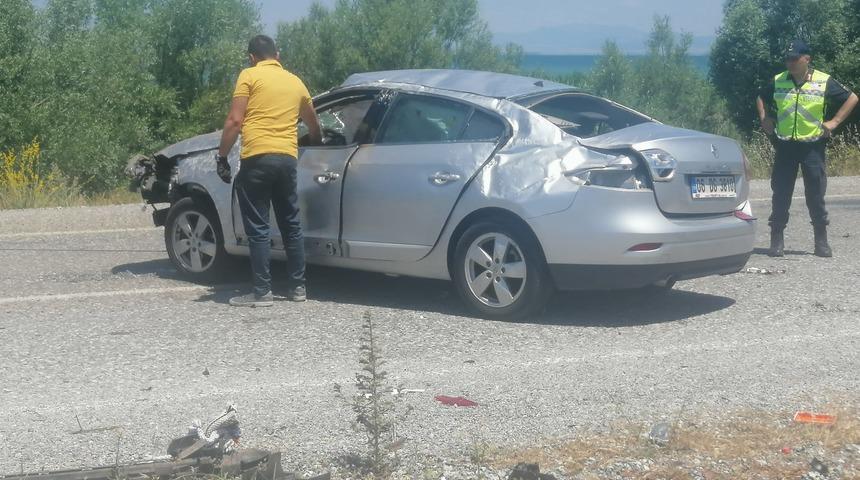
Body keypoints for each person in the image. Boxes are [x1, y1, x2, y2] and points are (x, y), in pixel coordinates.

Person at [216, 35, 322, 307]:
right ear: (278, 54)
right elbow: (313, 124)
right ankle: (298, 288)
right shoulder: (296, 81)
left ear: (252, 57)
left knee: (259, 227)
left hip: (258, 157)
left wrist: (222, 155)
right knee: (291, 223)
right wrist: (316, 142)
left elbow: (235, 120)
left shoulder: (249, 76)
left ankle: (262, 292)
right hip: (287, 159)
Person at [756, 40, 858, 258]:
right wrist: (764, 118)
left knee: (815, 194)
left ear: (807, 59)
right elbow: (761, 96)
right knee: (781, 193)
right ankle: (776, 241)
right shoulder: (778, 80)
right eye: (787, 58)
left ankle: (821, 242)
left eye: (794, 58)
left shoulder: (823, 81)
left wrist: (834, 122)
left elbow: (852, 98)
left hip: (812, 146)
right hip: (785, 145)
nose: (790, 62)